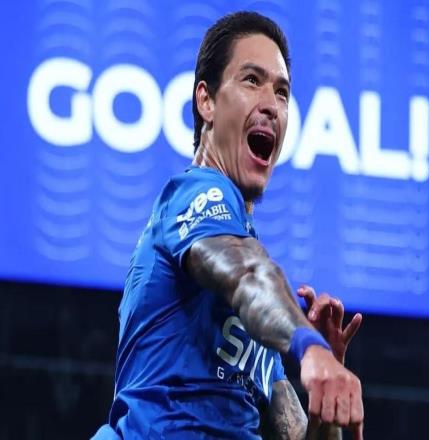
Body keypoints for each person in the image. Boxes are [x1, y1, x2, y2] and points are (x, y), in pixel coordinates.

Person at [92, 11, 364, 440]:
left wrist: (328, 392)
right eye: (252, 80)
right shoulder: (196, 194)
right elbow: (246, 273)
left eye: (282, 92)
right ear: (207, 101)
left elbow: (297, 434)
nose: (271, 104)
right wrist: (309, 345)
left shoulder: (259, 319)